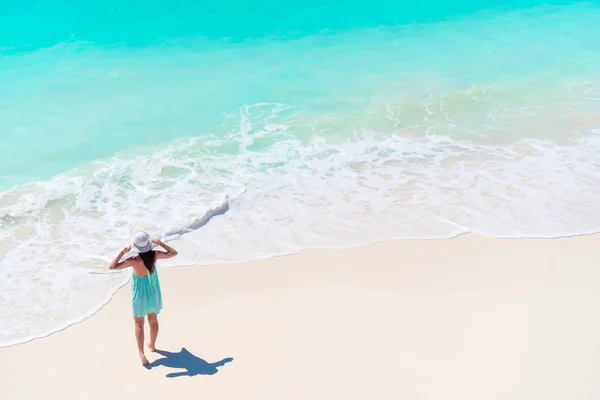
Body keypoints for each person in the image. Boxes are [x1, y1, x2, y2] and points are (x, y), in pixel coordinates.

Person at [108, 231, 178, 366]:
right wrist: (160, 243)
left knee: (139, 324)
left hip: (139, 294)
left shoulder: (134, 261)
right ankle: (152, 345)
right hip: (152, 291)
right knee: (153, 321)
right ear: (148, 244)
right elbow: (173, 253)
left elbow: (112, 266)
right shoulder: (155, 255)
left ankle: (141, 354)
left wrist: (122, 252)